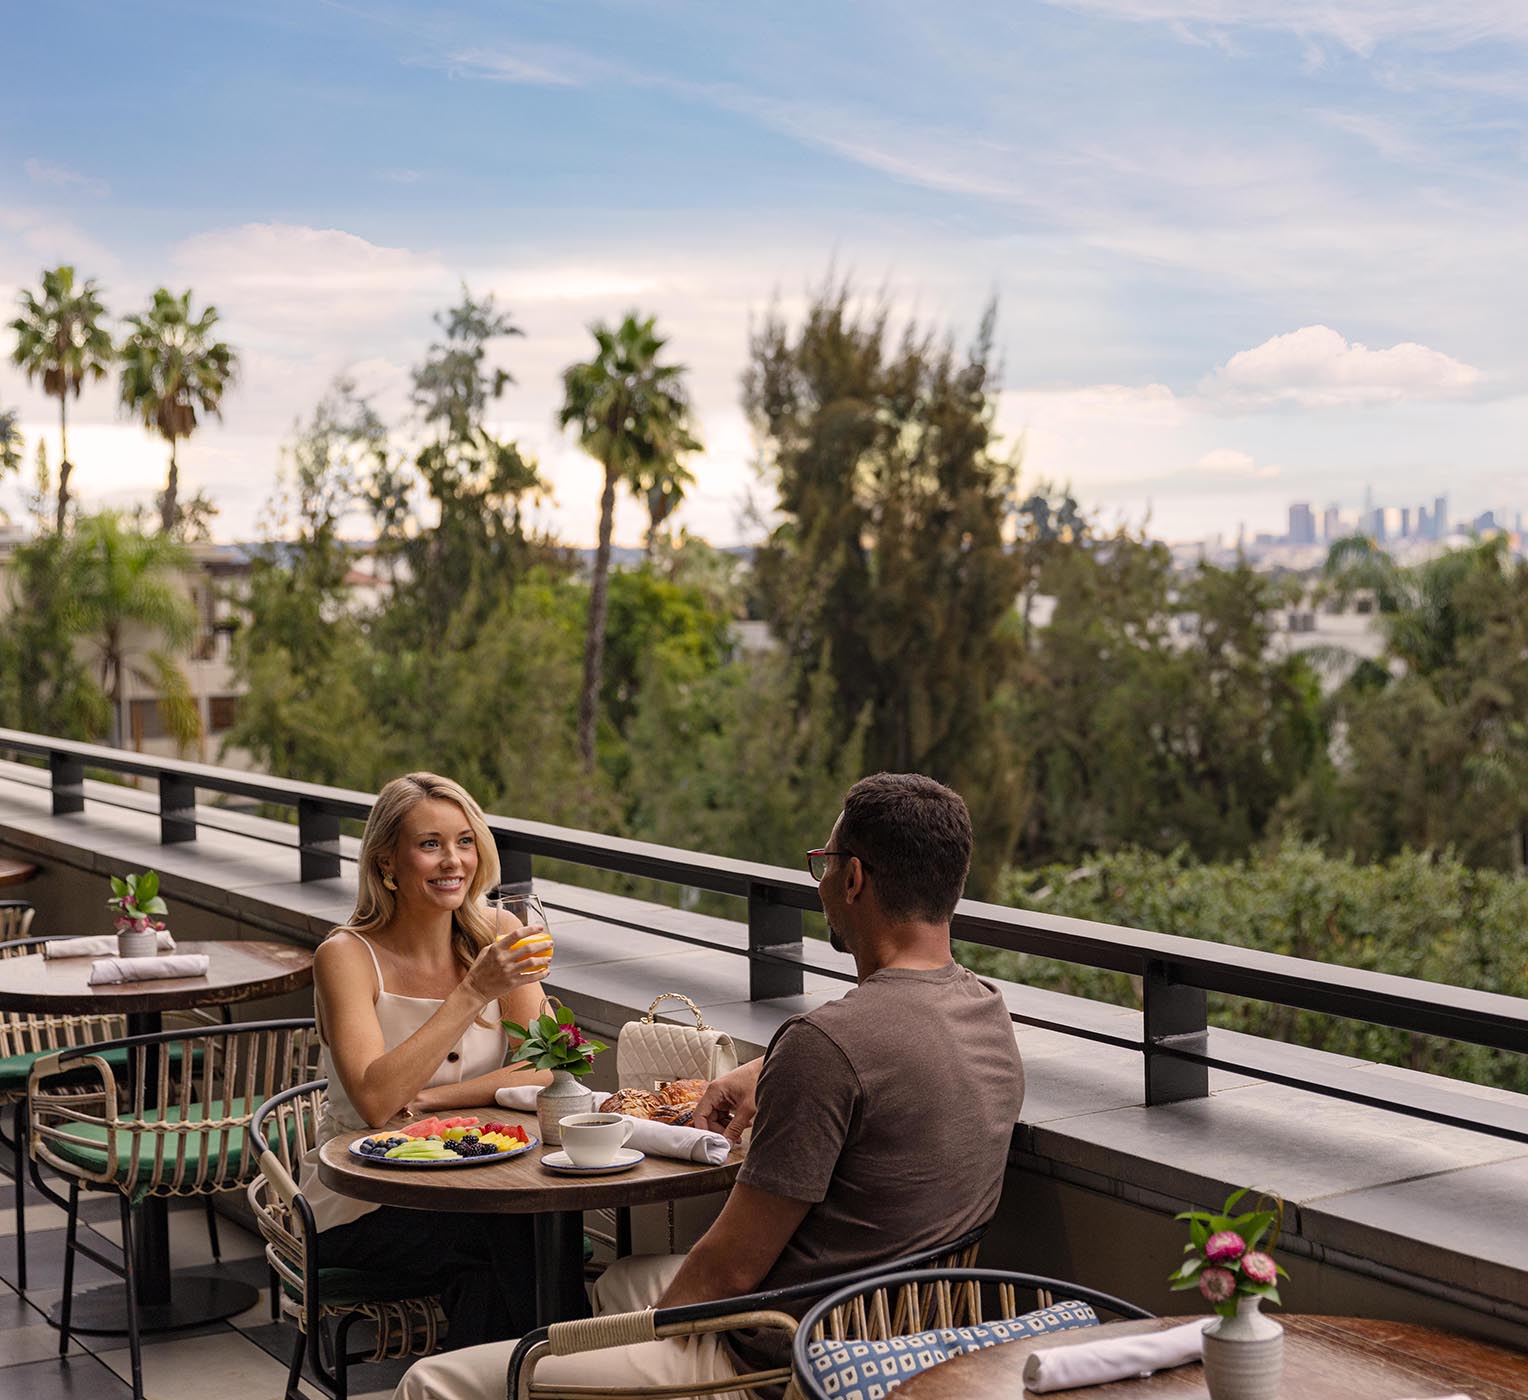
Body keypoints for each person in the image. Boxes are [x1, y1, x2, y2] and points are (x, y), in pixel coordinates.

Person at [395, 771, 1025, 1400]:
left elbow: (730, 1267)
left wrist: (641, 1340)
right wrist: (771, 1063)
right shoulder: (985, 1008)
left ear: (854, 878)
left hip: (783, 1353)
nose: (823, 880)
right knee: (620, 1283)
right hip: (907, 1324)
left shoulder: (828, 1046)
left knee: (434, 1381)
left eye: (824, 864)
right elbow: (879, 1033)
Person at [299, 771, 554, 1349]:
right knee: (506, 1241)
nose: (453, 862)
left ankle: (512, 1382)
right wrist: (472, 992)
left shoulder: (498, 931)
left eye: (465, 841)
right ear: (387, 861)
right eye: (430, 844)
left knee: (509, 1242)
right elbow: (376, 1101)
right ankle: (558, 1378)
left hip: (476, 1180)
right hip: (362, 1200)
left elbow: (546, 1063)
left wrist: (433, 1100)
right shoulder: (345, 956)